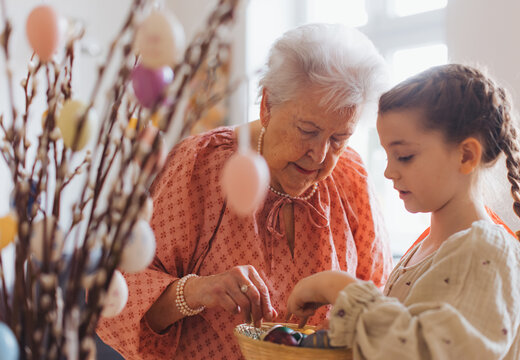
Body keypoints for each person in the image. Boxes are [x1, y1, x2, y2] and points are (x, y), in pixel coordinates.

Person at [96, 23, 393, 359]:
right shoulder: (200, 166)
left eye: (339, 139)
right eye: (308, 131)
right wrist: (194, 291)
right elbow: (121, 296)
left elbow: (377, 299)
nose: (321, 155)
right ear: (266, 104)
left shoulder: (350, 180)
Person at [287, 64, 520, 359]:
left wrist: (338, 287)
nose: (389, 171)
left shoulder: (487, 251)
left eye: (404, 156)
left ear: (466, 155)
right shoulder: (423, 251)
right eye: (388, 155)